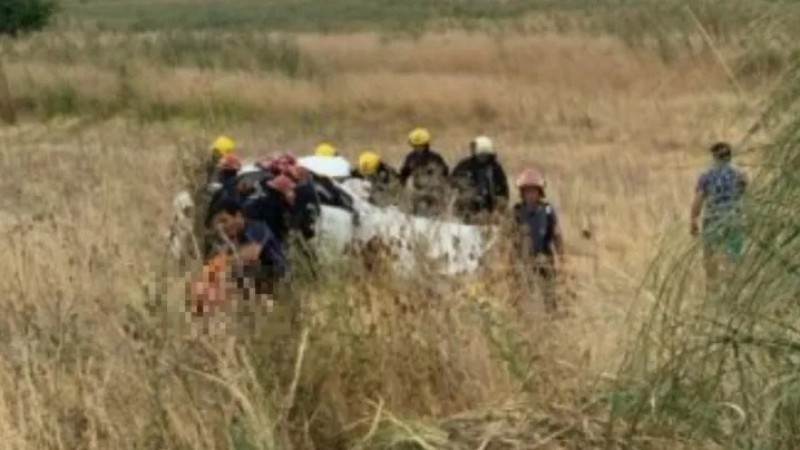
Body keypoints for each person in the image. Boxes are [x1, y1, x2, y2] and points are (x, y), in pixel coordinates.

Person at [204, 198, 287, 314]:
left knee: (235, 269)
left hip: (277, 276)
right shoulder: (234, 238)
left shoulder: (256, 228)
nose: (222, 227)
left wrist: (220, 263)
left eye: (224, 221)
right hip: (259, 280)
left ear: (238, 216)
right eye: (219, 224)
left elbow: (251, 254)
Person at [690, 141, 748, 295]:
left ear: (714, 156)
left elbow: (699, 199)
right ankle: (732, 291)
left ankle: (713, 291)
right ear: (730, 155)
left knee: (710, 257)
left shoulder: (706, 175)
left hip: (713, 220)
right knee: (733, 256)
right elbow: (745, 194)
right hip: (734, 218)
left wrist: (693, 220)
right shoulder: (740, 174)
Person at [513, 167, 565, 314]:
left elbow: (556, 235)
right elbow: (509, 236)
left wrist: (562, 256)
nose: (530, 195)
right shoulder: (516, 211)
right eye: (527, 191)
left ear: (540, 192)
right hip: (522, 261)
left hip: (544, 258)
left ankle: (551, 318)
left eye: (533, 191)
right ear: (522, 193)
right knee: (519, 295)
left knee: (549, 294)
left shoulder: (547, 211)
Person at [450, 136, 509, 222]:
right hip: (465, 211)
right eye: (481, 155)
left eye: (485, 155)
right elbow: (452, 183)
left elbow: (503, 191)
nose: (482, 158)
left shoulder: (495, 168)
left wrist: (499, 209)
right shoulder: (464, 166)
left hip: (489, 212)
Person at [398, 128, 450, 216]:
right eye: (416, 146)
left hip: (432, 193)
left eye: (419, 146)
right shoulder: (412, 158)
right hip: (422, 193)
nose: (418, 148)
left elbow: (445, 174)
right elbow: (403, 175)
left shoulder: (433, 158)